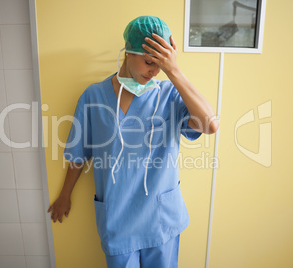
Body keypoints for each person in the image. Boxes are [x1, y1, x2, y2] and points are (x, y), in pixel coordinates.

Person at [47, 16, 219, 267]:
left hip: (161, 221)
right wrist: (65, 195)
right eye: (149, 62)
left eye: (160, 66)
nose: (153, 71)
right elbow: (78, 154)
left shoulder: (169, 95)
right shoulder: (93, 96)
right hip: (118, 220)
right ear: (128, 52)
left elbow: (210, 124)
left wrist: (174, 71)